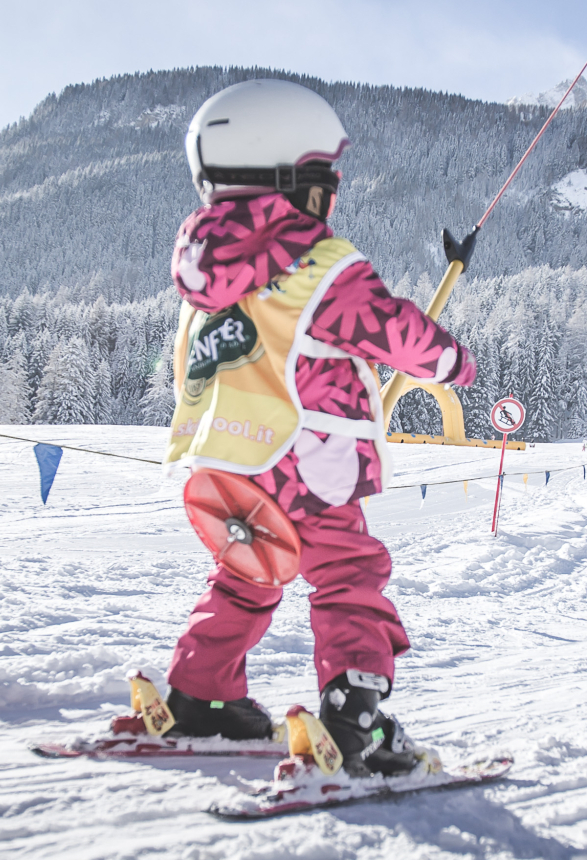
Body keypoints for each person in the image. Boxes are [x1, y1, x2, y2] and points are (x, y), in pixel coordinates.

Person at [155, 79, 477, 777]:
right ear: (295, 180)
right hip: (308, 462)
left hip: (223, 466)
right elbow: (393, 329)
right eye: (326, 181)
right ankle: (355, 722)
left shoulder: (204, 270)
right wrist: (452, 361)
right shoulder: (320, 264)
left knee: (248, 573)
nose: (332, 198)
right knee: (347, 576)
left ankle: (200, 693)